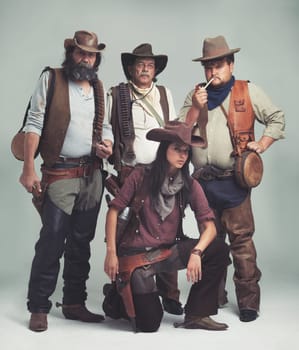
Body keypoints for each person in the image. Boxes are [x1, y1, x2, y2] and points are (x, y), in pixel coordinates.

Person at [179, 35, 285, 322]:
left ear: (231, 64)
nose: (212, 72)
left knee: (241, 243)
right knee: (211, 243)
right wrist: (195, 109)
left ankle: (248, 302)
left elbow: (277, 118)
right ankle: (213, 297)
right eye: (208, 67)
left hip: (234, 181)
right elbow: (180, 133)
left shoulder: (247, 91)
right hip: (202, 183)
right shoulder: (196, 95)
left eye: (218, 65)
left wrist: (261, 144)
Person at [19, 30, 113, 332]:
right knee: (52, 239)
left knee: (81, 242)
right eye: (81, 52)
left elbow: (107, 126)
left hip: (92, 174)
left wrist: (108, 145)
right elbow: (33, 122)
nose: (86, 58)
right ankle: (38, 306)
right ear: (71, 53)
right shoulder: (52, 79)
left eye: (91, 54)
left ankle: (74, 302)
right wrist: (29, 168)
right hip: (59, 172)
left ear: (97, 58)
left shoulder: (98, 87)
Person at [104, 121, 230, 332]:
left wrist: (197, 252)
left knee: (218, 249)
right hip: (137, 256)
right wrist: (111, 252)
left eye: (186, 151)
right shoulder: (141, 176)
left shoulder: (190, 184)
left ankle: (196, 315)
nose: (182, 155)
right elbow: (114, 211)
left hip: (167, 252)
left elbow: (210, 228)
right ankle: (117, 296)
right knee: (149, 324)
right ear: (165, 150)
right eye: (177, 149)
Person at [103, 43, 183, 315]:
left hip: (162, 172)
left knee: (169, 229)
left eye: (150, 64)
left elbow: (173, 130)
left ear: (155, 69)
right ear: (130, 68)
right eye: (140, 64)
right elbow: (107, 131)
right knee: (127, 232)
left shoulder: (164, 93)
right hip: (130, 173)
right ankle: (121, 287)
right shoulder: (117, 94)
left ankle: (170, 293)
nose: (145, 68)